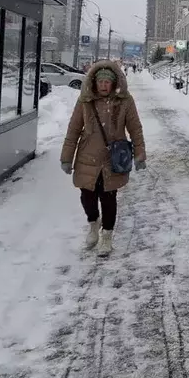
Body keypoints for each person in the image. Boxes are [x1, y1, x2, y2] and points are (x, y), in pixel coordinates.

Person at [60, 61, 146, 255]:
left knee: (108, 198)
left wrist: (140, 154)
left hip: (113, 159)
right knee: (87, 196)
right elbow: (73, 129)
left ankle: (106, 236)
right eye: (101, 81)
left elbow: (135, 129)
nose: (104, 85)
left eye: (108, 81)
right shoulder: (85, 100)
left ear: (114, 82)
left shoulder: (125, 101)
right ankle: (93, 224)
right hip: (87, 156)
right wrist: (66, 157)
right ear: (94, 82)